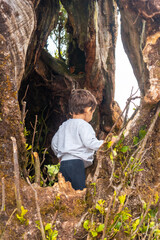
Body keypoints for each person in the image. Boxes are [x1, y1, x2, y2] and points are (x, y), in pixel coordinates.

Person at [51, 89, 104, 190]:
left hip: (63, 165)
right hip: (76, 164)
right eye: (92, 112)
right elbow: (90, 142)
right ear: (88, 110)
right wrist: (106, 144)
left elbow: (54, 143)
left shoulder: (64, 125)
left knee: (65, 191)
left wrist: (60, 155)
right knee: (79, 191)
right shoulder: (84, 125)